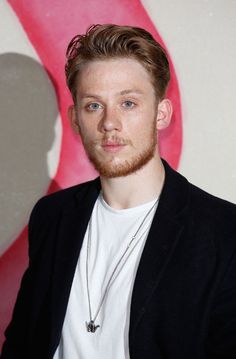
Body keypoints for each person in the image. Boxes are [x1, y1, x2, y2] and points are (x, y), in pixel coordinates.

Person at [1, 24, 236, 359]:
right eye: (94, 106)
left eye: (128, 103)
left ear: (161, 113)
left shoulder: (223, 233)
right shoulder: (52, 217)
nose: (109, 122)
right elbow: (22, 343)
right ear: (75, 119)